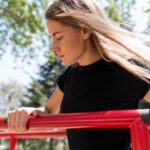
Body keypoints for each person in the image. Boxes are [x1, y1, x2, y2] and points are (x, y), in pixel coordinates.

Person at [7, 0, 150, 150]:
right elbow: (48, 110)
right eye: (52, 38)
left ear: (85, 31)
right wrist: (28, 112)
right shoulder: (70, 75)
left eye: (59, 37)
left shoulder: (126, 69)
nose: (53, 47)